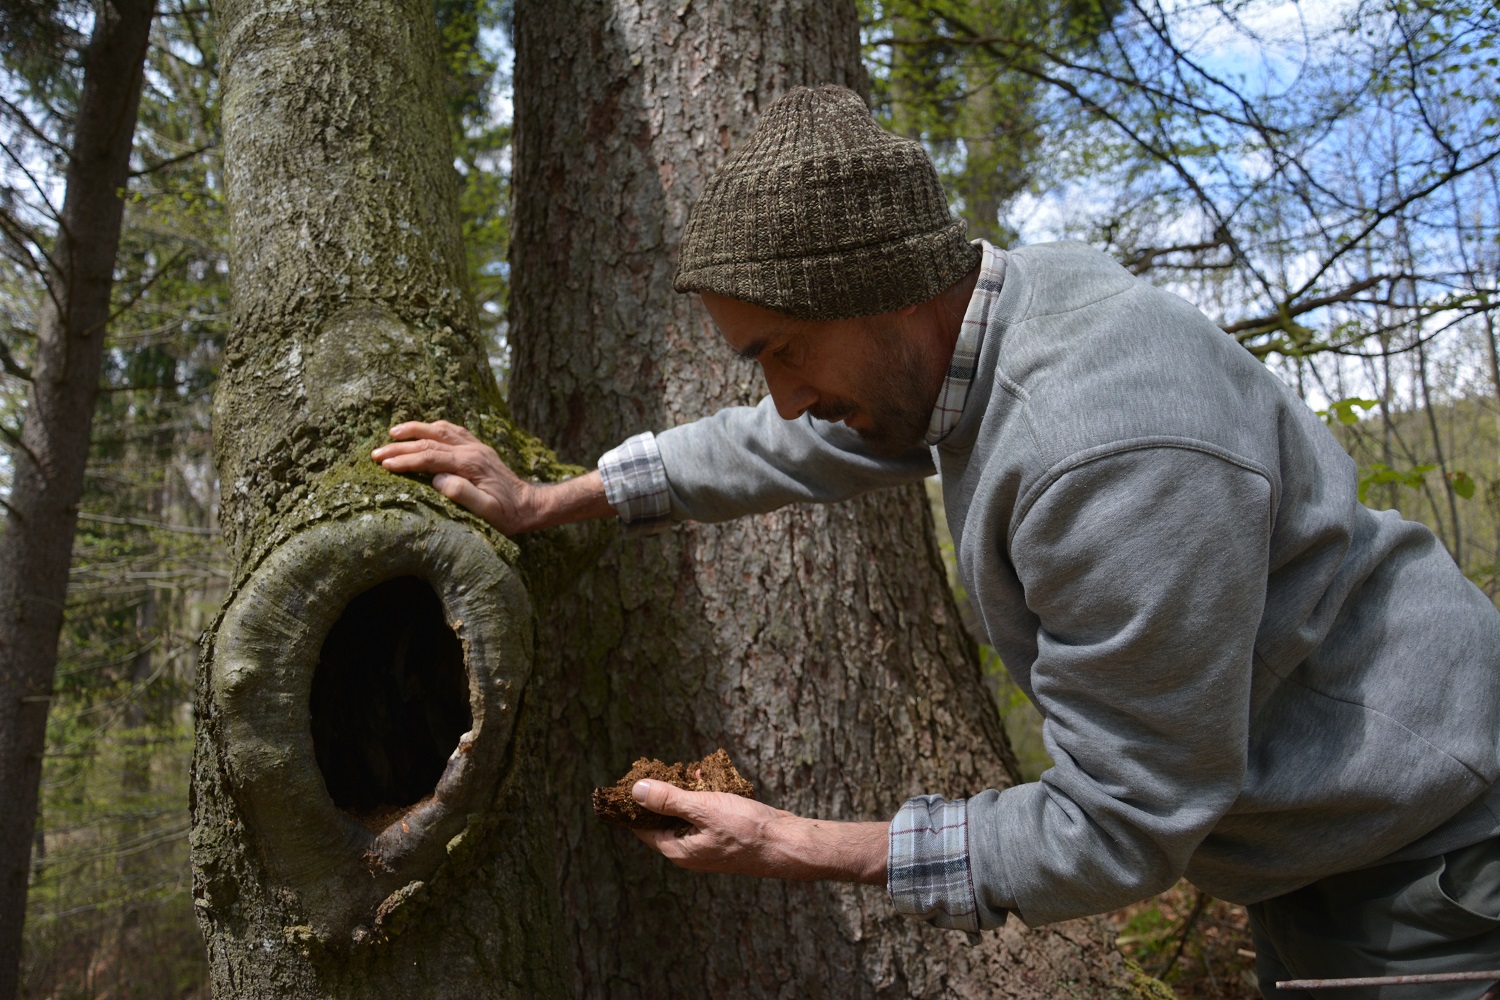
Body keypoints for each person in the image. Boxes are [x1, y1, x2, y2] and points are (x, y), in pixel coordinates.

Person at [372, 85, 1500, 997]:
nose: (787, 396)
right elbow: (785, 446)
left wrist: (790, 843)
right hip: (1328, 845)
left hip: (1427, 852)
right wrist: (548, 502)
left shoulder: (1105, 456)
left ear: (882, 293)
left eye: (783, 350)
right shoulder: (994, 324)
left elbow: (1119, 828)